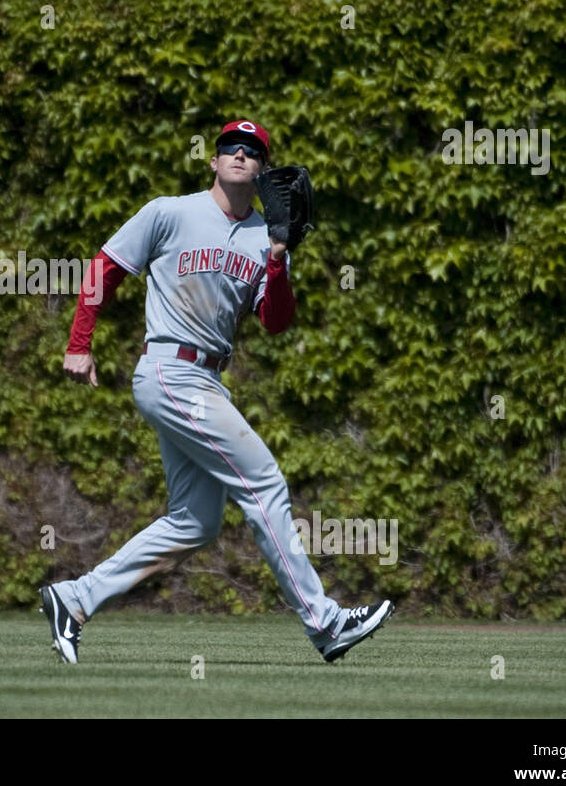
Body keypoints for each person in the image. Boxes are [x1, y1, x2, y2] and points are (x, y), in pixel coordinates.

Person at [39, 119, 393, 664]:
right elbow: (103, 268)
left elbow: (275, 321)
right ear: (213, 159)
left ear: (262, 170)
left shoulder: (265, 238)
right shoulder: (170, 212)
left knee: (195, 522)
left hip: (204, 378)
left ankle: (75, 598)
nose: (239, 154)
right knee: (265, 482)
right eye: (230, 146)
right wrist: (78, 342)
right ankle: (324, 624)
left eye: (251, 151)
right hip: (169, 369)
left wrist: (277, 259)